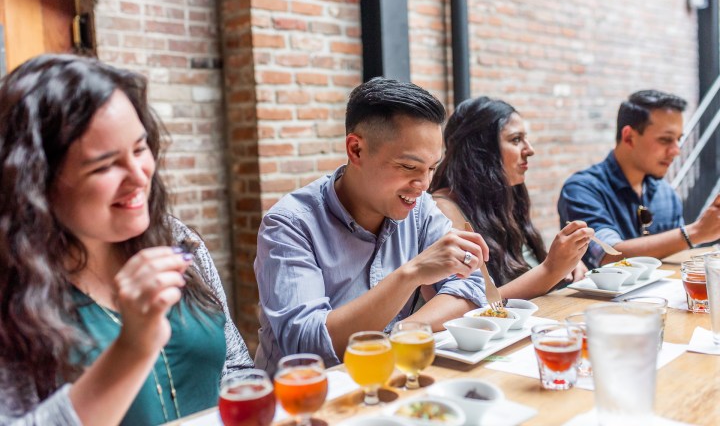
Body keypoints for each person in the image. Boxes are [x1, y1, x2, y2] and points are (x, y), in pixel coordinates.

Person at [0, 54, 252, 425]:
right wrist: (133, 348)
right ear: (36, 182)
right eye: (104, 165)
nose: (139, 176)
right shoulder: (11, 298)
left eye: (139, 148)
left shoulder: (178, 241)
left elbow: (235, 369)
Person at [254, 77, 490, 373]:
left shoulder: (420, 209)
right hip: (302, 401)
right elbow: (309, 345)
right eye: (408, 167)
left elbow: (469, 288)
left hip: (382, 379)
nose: (424, 184)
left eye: (431, 168)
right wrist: (412, 274)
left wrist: (401, 332)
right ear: (356, 150)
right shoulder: (289, 224)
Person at [428, 96, 593, 299]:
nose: (529, 150)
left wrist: (568, 263)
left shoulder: (504, 195)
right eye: (516, 140)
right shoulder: (443, 209)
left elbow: (525, 270)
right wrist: (552, 269)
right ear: (480, 151)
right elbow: (468, 304)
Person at [558, 89, 720, 269]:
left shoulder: (666, 194)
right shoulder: (582, 189)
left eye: (678, 140)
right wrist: (696, 232)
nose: (676, 150)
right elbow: (609, 255)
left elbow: (679, 255)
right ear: (629, 137)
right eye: (666, 140)